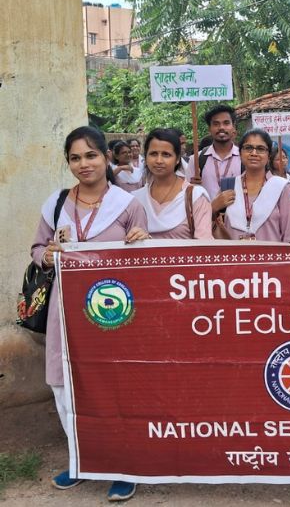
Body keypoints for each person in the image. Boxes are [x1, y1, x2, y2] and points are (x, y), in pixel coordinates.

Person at [33, 126, 149, 502]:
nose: (83, 164)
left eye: (90, 155)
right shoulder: (56, 204)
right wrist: (45, 255)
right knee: (64, 384)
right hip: (64, 311)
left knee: (114, 386)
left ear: (105, 157)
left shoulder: (127, 204)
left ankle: (122, 465)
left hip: (113, 315)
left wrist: (140, 240)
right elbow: (37, 247)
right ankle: (80, 459)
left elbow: (144, 258)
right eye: (75, 158)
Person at [218, 130, 290, 242]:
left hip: (271, 258)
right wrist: (213, 208)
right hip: (234, 257)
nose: (254, 153)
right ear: (240, 153)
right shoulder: (228, 185)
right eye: (248, 148)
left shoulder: (283, 187)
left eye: (260, 149)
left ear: (269, 155)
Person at [134, 128, 212, 239]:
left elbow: (204, 246)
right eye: (153, 154)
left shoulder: (195, 196)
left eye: (166, 155)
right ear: (145, 157)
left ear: (177, 159)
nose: (159, 160)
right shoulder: (136, 199)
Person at [190, 104, 241, 202]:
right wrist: (192, 187)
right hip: (206, 216)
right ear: (209, 129)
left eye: (226, 123)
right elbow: (188, 196)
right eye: (216, 124)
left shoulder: (244, 158)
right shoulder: (196, 160)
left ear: (234, 127)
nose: (221, 127)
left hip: (238, 216)